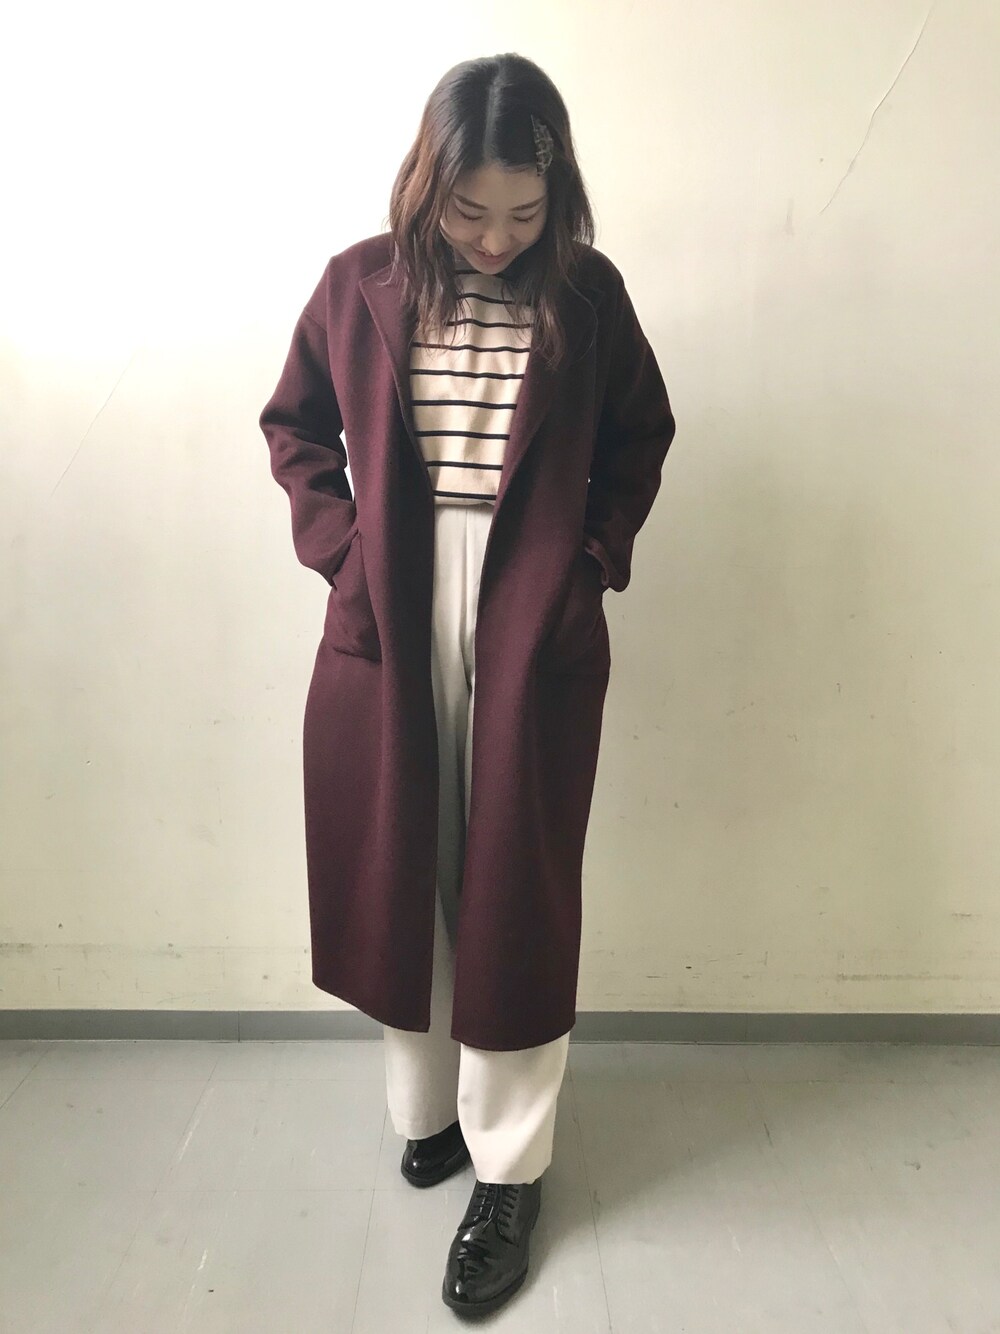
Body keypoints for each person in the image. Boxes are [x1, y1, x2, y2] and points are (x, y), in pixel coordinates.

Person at [259, 52, 676, 1317]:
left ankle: (512, 1167)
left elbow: (639, 435)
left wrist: (590, 561)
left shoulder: (587, 296)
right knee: (401, 863)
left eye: (525, 213)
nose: (496, 238)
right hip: (391, 600)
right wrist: (341, 555)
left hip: (529, 598)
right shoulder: (358, 284)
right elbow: (295, 427)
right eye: (469, 209)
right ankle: (428, 1109)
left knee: (512, 883)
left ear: (560, 198)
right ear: (424, 182)